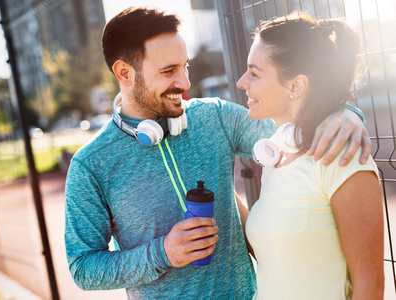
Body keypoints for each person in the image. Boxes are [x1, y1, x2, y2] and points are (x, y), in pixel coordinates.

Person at [64, 7, 371, 299]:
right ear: (124, 73)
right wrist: (162, 253)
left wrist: (344, 112)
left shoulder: (214, 117)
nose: (184, 82)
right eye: (168, 71)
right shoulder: (91, 165)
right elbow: (83, 268)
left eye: (185, 66)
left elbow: (294, 126)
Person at [239, 13, 384, 299]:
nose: (242, 81)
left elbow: (371, 287)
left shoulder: (341, 157)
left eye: (254, 73)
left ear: (296, 86)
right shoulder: (277, 156)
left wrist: (348, 112)